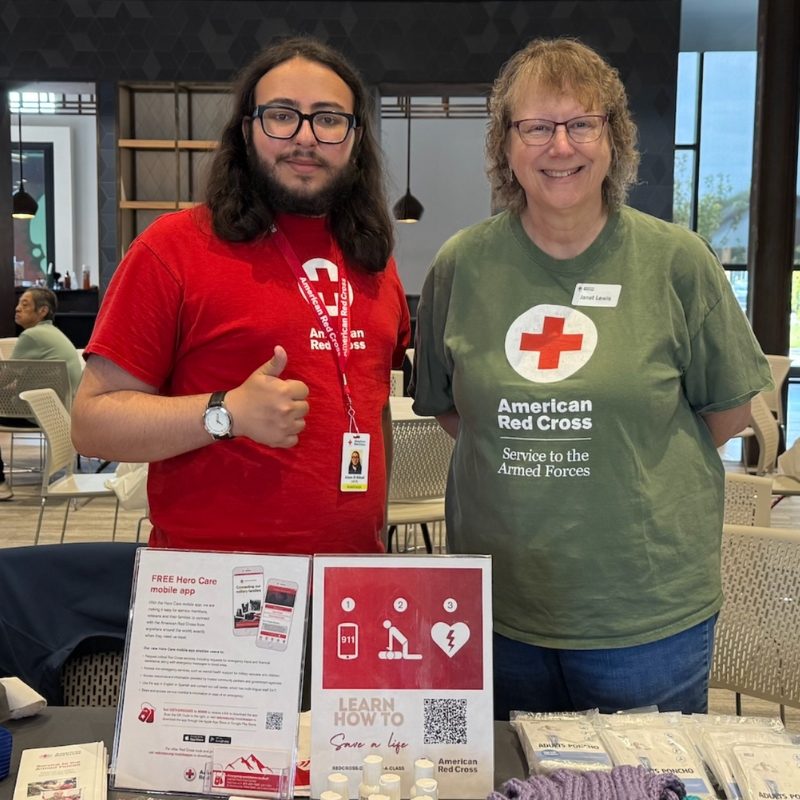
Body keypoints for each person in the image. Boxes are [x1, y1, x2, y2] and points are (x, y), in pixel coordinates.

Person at [411, 37, 772, 717]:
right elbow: (455, 411)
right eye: (537, 126)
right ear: (506, 146)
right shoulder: (462, 266)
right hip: (497, 609)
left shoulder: (676, 261)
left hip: (644, 615)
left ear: (613, 139)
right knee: (512, 786)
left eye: (582, 123)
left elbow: (726, 411)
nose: (561, 146)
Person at [72, 36, 410, 553]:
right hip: (215, 590)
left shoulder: (373, 260)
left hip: (348, 581)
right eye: (281, 116)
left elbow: (373, 407)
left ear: (355, 138)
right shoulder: (174, 249)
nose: (305, 138)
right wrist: (226, 413)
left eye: (328, 118)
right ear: (248, 129)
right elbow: (93, 424)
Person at [0, 288, 83, 501]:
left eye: (25, 304)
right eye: (19, 303)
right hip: (62, 410)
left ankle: (1, 485)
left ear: (43, 310)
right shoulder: (52, 333)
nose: (18, 308)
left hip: (43, 413)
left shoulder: (32, 335)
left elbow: (4, 380)